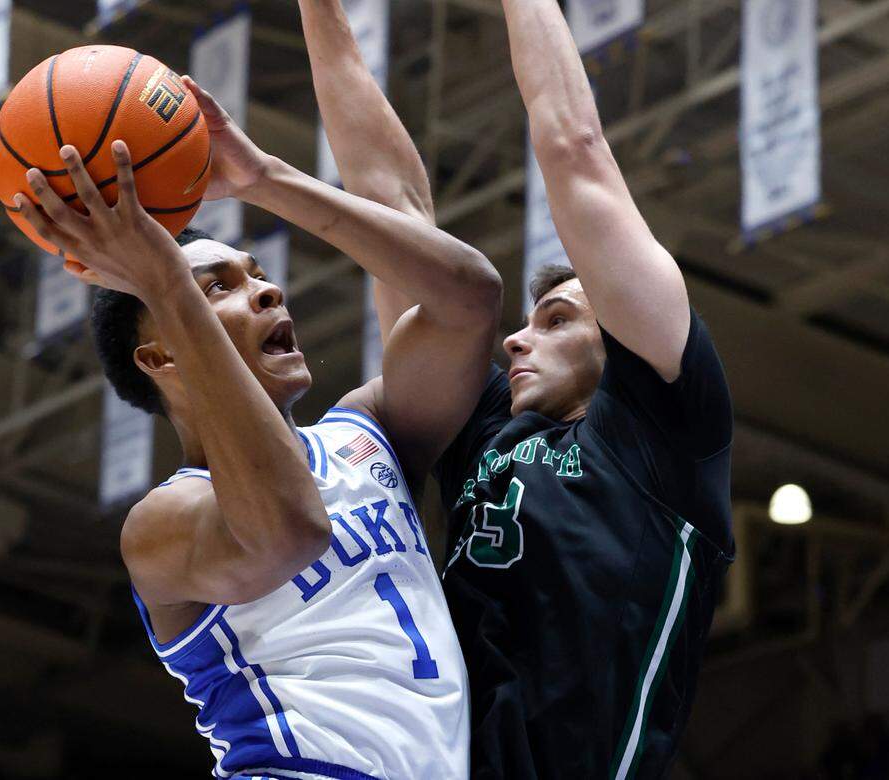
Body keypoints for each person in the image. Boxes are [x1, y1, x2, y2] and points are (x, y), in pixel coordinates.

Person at [14, 78, 501, 779]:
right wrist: (165, 285)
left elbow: (469, 298)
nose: (268, 291)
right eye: (221, 288)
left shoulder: (368, 432)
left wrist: (264, 179)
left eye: (258, 275)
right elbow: (290, 530)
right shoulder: (163, 524)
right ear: (160, 358)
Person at [301, 0, 735, 777]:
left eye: (556, 319)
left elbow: (573, 146)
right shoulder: (489, 433)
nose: (513, 339)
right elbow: (390, 208)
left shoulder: (666, 432)